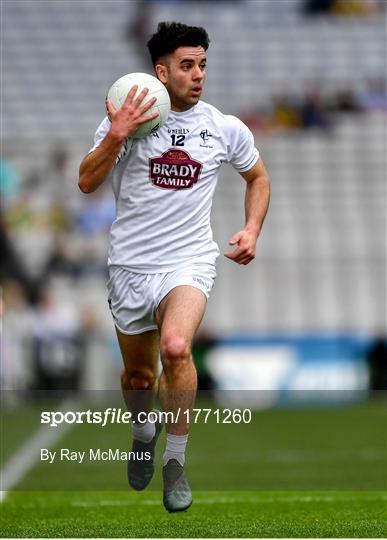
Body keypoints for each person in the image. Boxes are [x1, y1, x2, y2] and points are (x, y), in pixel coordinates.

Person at [79, 21, 270, 513]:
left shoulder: (223, 127)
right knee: (139, 380)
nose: (199, 74)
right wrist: (116, 135)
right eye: (187, 65)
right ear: (161, 72)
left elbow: (258, 177)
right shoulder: (130, 118)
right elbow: (85, 182)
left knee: (177, 347)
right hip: (130, 267)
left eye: (203, 64)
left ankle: (176, 463)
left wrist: (251, 228)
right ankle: (143, 432)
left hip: (188, 261)